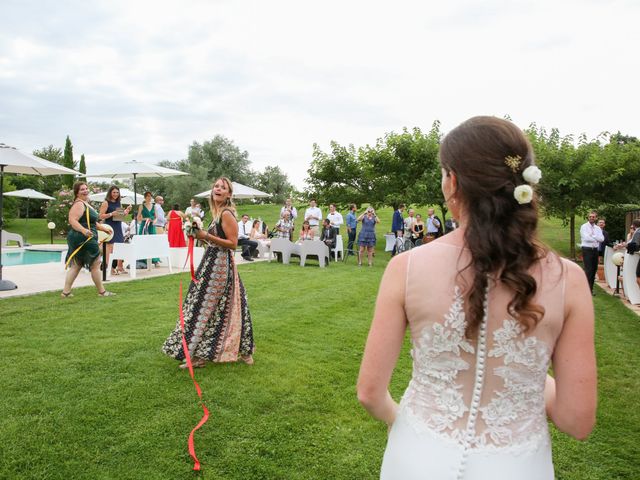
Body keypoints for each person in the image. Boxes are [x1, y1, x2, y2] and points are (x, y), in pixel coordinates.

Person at [357, 116, 596, 480]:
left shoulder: (406, 267)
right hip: (517, 468)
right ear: (522, 184)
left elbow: (370, 392)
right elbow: (577, 420)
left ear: (452, 181)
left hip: (417, 458)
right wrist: (528, 377)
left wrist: (399, 420)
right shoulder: (570, 280)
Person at [162, 177, 254, 367]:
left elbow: (233, 243)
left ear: (229, 194)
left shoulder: (227, 214)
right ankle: (202, 355)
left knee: (204, 307)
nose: (218, 189)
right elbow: (214, 240)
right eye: (216, 186)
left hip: (219, 268)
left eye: (223, 188)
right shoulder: (217, 212)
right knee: (217, 308)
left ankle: (231, 351)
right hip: (211, 263)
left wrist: (206, 235)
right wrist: (198, 236)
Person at [61, 181, 116, 298]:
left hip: (82, 236)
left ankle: (66, 292)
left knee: (77, 265)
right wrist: (84, 231)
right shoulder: (79, 204)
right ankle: (102, 292)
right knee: (95, 264)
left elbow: (90, 222)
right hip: (84, 237)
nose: (85, 191)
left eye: (86, 188)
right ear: (77, 192)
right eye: (82, 189)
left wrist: (103, 229)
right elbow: (72, 220)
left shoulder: (84, 203)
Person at [99, 185, 131, 275]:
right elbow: (100, 216)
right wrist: (111, 213)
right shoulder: (106, 203)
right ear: (110, 193)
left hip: (118, 226)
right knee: (109, 248)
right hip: (109, 227)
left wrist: (126, 212)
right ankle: (109, 268)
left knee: (120, 247)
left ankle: (120, 267)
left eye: (117, 192)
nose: (116, 194)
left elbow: (119, 217)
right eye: (114, 192)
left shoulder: (119, 203)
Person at [579, 210, 604, 295]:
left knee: (594, 270)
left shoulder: (597, 228)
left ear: (596, 218)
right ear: (588, 217)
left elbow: (602, 239)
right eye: (590, 217)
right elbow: (586, 238)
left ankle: (590, 289)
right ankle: (585, 290)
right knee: (588, 270)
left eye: (593, 217)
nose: (591, 218)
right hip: (587, 249)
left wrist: (593, 236)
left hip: (595, 250)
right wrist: (596, 238)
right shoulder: (584, 227)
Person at [137, 191, 160, 266]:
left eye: (150, 196)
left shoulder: (154, 206)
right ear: (145, 197)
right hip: (144, 226)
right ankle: (143, 259)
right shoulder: (141, 206)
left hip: (151, 226)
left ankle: (155, 260)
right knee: (143, 242)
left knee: (153, 242)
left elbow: (157, 217)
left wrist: (154, 221)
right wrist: (145, 219)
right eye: (147, 196)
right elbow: (138, 217)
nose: (149, 197)